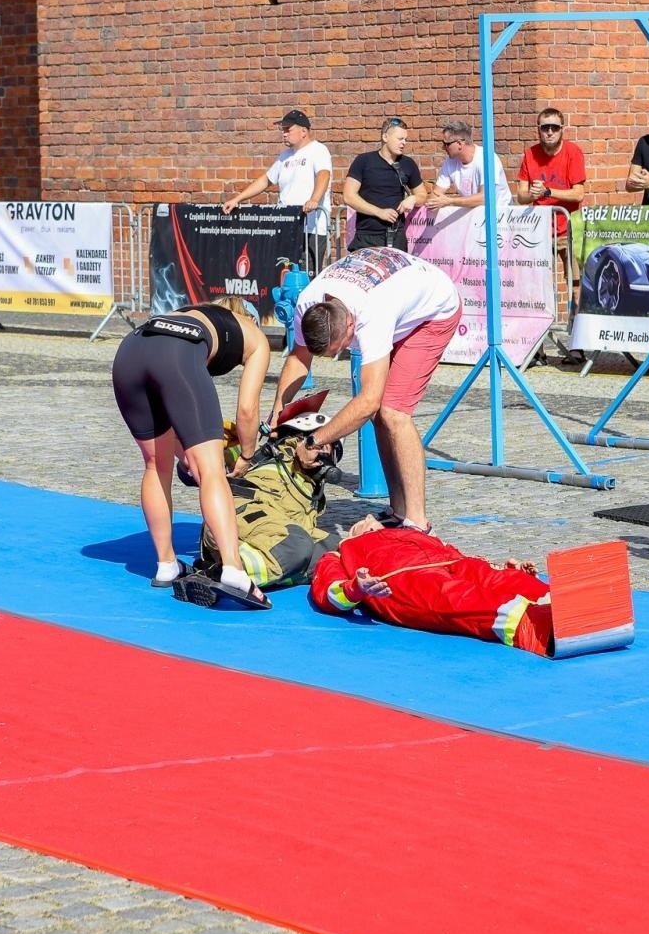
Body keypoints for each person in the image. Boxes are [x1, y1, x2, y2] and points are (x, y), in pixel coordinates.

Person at [270, 248, 461, 534]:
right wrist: (278, 411)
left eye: (339, 349)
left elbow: (369, 400)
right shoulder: (309, 302)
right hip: (395, 293)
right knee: (379, 415)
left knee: (392, 412)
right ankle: (398, 511)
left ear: (350, 325)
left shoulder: (371, 314)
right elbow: (299, 358)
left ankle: (418, 524)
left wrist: (315, 441)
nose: (338, 355)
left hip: (434, 310)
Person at [110, 296, 273, 607]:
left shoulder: (191, 313)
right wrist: (247, 455)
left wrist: (187, 455)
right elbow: (247, 410)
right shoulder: (255, 336)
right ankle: (234, 570)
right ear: (250, 319)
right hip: (176, 353)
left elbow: (175, 416)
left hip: (129, 351)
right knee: (212, 471)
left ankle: (166, 565)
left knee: (155, 466)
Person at [309, 516, 554, 654]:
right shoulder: (340, 553)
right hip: (405, 579)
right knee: (458, 598)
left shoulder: (411, 534)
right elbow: (328, 593)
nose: (369, 519)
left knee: (504, 579)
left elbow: (456, 555)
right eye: (362, 521)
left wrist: (507, 570)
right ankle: (534, 626)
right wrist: (355, 588)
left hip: (455, 563)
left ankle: (556, 600)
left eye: (373, 518)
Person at [194, 410, 345, 591]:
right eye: (317, 444)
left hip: (277, 535)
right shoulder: (262, 456)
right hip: (235, 520)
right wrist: (221, 443)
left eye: (329, 449)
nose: (321, 454)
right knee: (297, 545)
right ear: (298, 438)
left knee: (341, 552)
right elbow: (191, 467)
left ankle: (233, 570)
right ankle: (221, 573)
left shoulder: (312, 491)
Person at [222, 109, 333, 271]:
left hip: (311, 228)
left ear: (303, 131)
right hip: (287, 226)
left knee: (306, 276)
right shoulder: (285, 156)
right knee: (283, 274)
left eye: (288, 129)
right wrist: (237, 199)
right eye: (283, 130)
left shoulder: (318, 150)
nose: (284, 134)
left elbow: (323, 175)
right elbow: (266, 180)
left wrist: (314, 200)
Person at [515, 107, 586, 285]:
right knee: (541, 285)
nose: (549, 132)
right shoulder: (530, 154)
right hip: (541, 230)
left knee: (576, 284)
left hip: (569, 229)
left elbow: (579, 194)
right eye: (545, 127)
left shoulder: (573, 152)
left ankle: (574, 306)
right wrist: (533, 195)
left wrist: (547, 191)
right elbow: (521, 197)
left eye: (554, 127)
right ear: (538, 129)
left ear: (562, 129)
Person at [341, 116, 427, 251]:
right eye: (400, 139)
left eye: (405, 139)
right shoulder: (363, 161)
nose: (404, 143)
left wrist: (413, 199)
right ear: (385, 137)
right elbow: (348, 196)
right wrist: (379, 212)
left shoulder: (408, 164)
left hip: (396, 236)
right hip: (367, 236)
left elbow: (422, 195)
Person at [425, 120, 511, 212]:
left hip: (500, 214)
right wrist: (433, 201)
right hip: (473, 214)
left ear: (459, 144)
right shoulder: (450, 162)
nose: (443, 147)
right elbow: (434, 196)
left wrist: (450, 201)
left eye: (446, 144)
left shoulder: (486, 158)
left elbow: (485, 198)